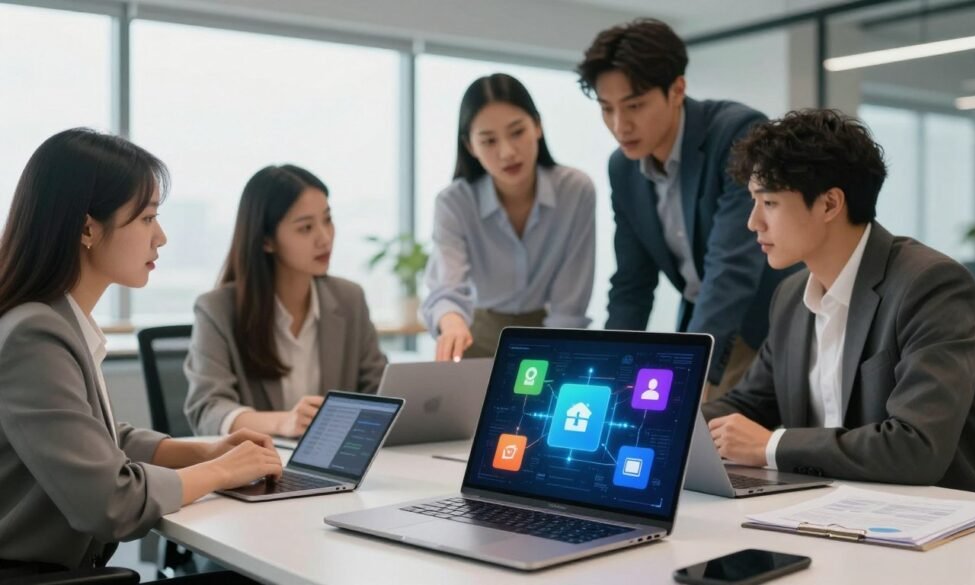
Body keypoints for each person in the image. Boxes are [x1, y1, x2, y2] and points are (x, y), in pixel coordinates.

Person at [0, 128, 282, 573]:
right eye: (148, 218)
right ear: (88, 227)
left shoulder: (58, 322)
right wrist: (223, 472)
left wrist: (204, 452)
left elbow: (100, 439)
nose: (162, 237)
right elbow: (112, 501)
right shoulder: (33, 335)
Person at [702, 109, 975, 494]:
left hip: (934, 519)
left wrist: (770, 445)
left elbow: (917, 446)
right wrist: (666, 426)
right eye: (753, 203)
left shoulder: (929, 285)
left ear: (829, 204)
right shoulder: (791, 296)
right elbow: (749, 403)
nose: (753, 222)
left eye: (769, 203)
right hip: (824, 508)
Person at [577, 18, 795, 398]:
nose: (619, 125)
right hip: (701, 320)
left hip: (763, 322)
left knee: (712, 433)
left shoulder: (735, 132)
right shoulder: (623, 167)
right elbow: (632, 283)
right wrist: (607, 370)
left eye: (635, 105)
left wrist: (692, 368)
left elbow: (732, 267)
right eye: (606, 108)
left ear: (677, 89)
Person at [184, 165, 387, 437]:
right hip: (259, 468)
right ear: (267, 240)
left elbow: (379, 392)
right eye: (305, 228)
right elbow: (207, 410)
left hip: (337, 467)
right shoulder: (217, 310)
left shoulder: (349, 299)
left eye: (327, 220)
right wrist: (283, 423)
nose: (325, 238)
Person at [422, 73, 596, 361]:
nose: (507, 152)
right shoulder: (454, 202)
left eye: (517, 132)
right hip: (474, 334)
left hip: (550, 331)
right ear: (470, 146)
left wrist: (555, 357)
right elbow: (448, 286)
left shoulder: (575, 190)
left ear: (537, 126)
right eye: (488, 141)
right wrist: (451, 323)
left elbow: (569, 305)